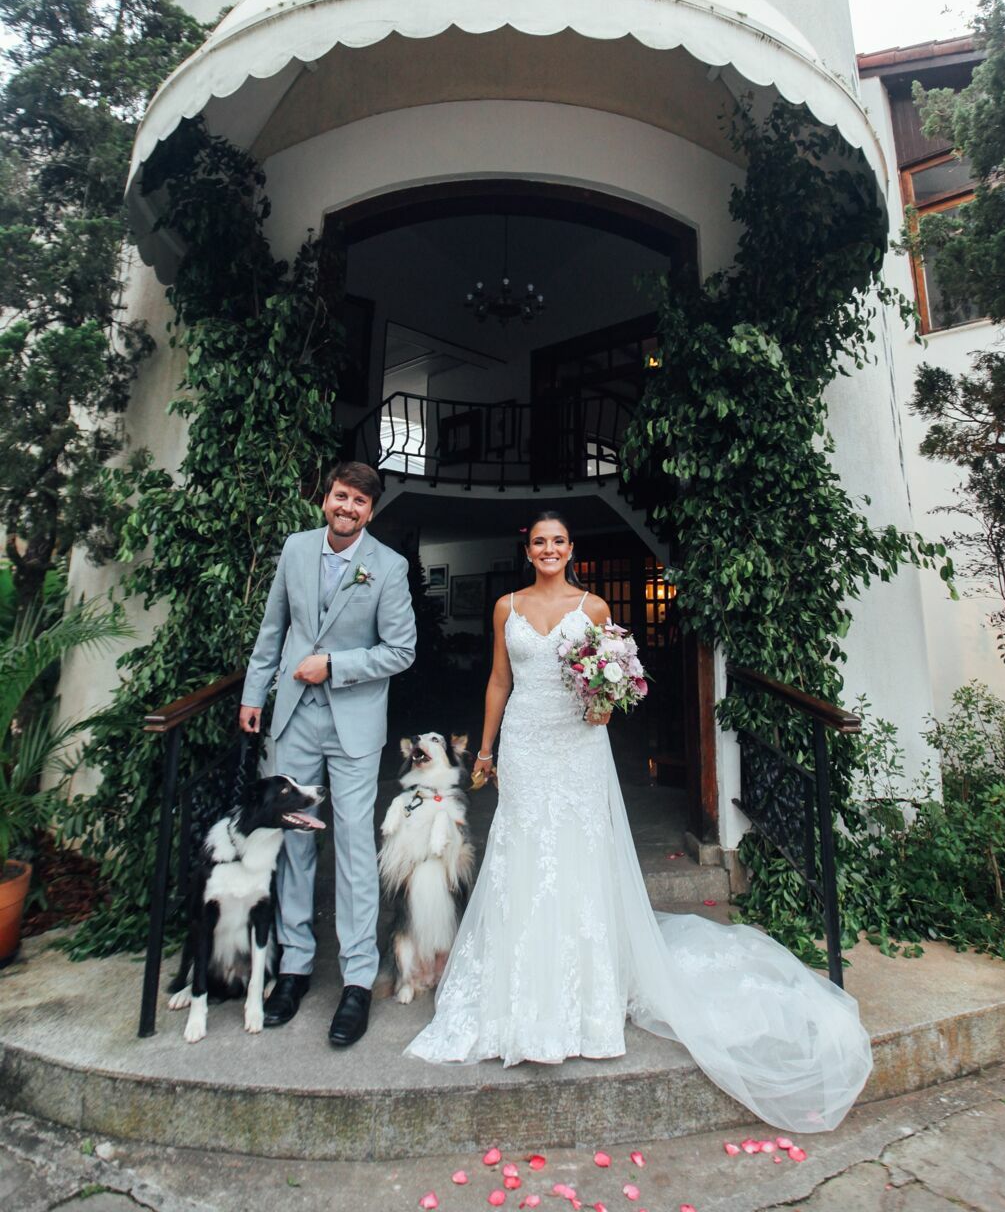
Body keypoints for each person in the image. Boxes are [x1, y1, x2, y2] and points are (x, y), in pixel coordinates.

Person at [406, 510, 872, 1133]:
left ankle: (586, 992)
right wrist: (486, 749)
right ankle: (518, 986)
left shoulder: (595, 608)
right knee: (523, 852)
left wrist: (604, 704)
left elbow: (611, 680)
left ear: (571, 549)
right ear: (530, 550)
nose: (549, 549)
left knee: (577, 852)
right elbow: (498, 680)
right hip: (523, 743)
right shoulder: (506, 606)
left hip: (577, 747)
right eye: (540, 542)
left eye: (559, 541)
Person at [239, 460, 415, 1047]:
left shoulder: (388, 567)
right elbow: (273, 628)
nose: (348, 508)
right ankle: (292, 968)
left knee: (354, 846)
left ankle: (357, 980)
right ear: (327, 499)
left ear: (370, 511)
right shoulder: (294, 550)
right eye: (341, 497)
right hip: (291, 718)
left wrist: (336, 665)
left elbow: (401, 650)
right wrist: (252, 695)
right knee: (292, 842)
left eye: (360, 503)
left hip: (354, 724)